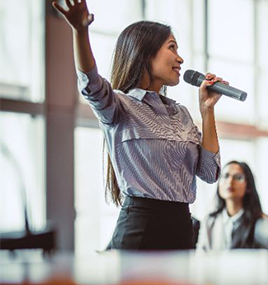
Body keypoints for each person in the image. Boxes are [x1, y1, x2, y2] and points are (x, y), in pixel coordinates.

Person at [53, 0, 226, 250]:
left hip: (182, 228)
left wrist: (207, 110)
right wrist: (80, 33)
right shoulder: (119, 106)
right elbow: (90, 85)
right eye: (172, 47)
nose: (180, 58)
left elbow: (210, 173)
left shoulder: (182, 114)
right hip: (141, 228)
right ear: (145, 53)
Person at [197, 161, 268, 251]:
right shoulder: (209, 221)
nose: (230, 181)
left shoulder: (263, 221)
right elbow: (201, 257)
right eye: (225, 176)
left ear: (248, 186)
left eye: (238, 177)